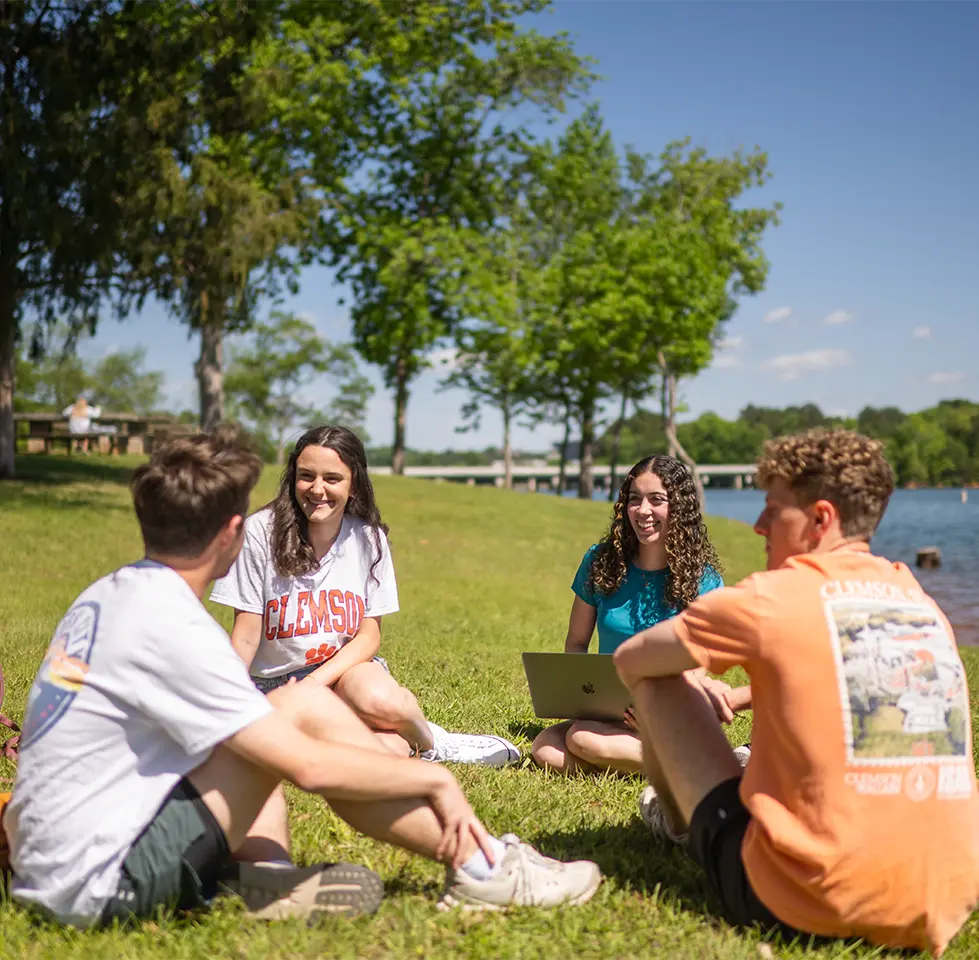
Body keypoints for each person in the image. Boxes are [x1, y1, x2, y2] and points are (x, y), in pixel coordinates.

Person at [4, 426, 602, 929]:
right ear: (234, 533)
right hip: (101, 885)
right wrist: (432, 783)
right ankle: (485, 867)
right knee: (300, 714)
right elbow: (308, 765)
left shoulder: (107, 595)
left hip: (52, 858)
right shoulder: (175, 629)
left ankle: (269, 883)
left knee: (277, 718)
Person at [613, 429, 979, 957]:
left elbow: (631, 661)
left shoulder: (772, 596)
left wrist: (695, 681)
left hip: (805, 905)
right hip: (942, 903)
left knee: (656, 682)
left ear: (821, 519)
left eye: (773, 509)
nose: (759, 525)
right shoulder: (916, 596)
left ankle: (677, 826)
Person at [210, 425, 519, 767]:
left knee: (385, 704)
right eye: (306, 476)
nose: (317, 489)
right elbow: (246, 634)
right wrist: (229, 706)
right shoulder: (258, 534)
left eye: (332, 478)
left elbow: (369, 635)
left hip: (343, 670)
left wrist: (314, 683)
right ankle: (400, 739)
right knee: (384, 753)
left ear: (353, 482)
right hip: (274, 685)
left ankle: (433, 743)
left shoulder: (368, 539)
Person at [531, 455, 727, 775]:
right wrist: (582, 695)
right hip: (609, 709)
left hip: (669, 709)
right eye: (634, 500)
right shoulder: (600, 561)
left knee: (581, 739)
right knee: (545, 747)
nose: (643, 511)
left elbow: (702, 661)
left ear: (679, 508)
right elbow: (577, 642)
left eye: (657, 500)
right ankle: (654, 763)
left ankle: (694, 765)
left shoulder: (703, 581)